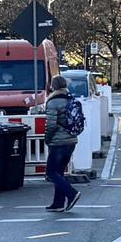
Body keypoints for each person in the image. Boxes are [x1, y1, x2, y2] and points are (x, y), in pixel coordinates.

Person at [41, 75, 81, 213]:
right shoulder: (70, 98)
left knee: (51, 172)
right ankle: (58, 203)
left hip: (58, 142)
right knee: (59, 172)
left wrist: (47, 139)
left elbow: (51, 125)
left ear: (53, 86)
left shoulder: (53, 102)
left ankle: (71, 193)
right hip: (71, 140)